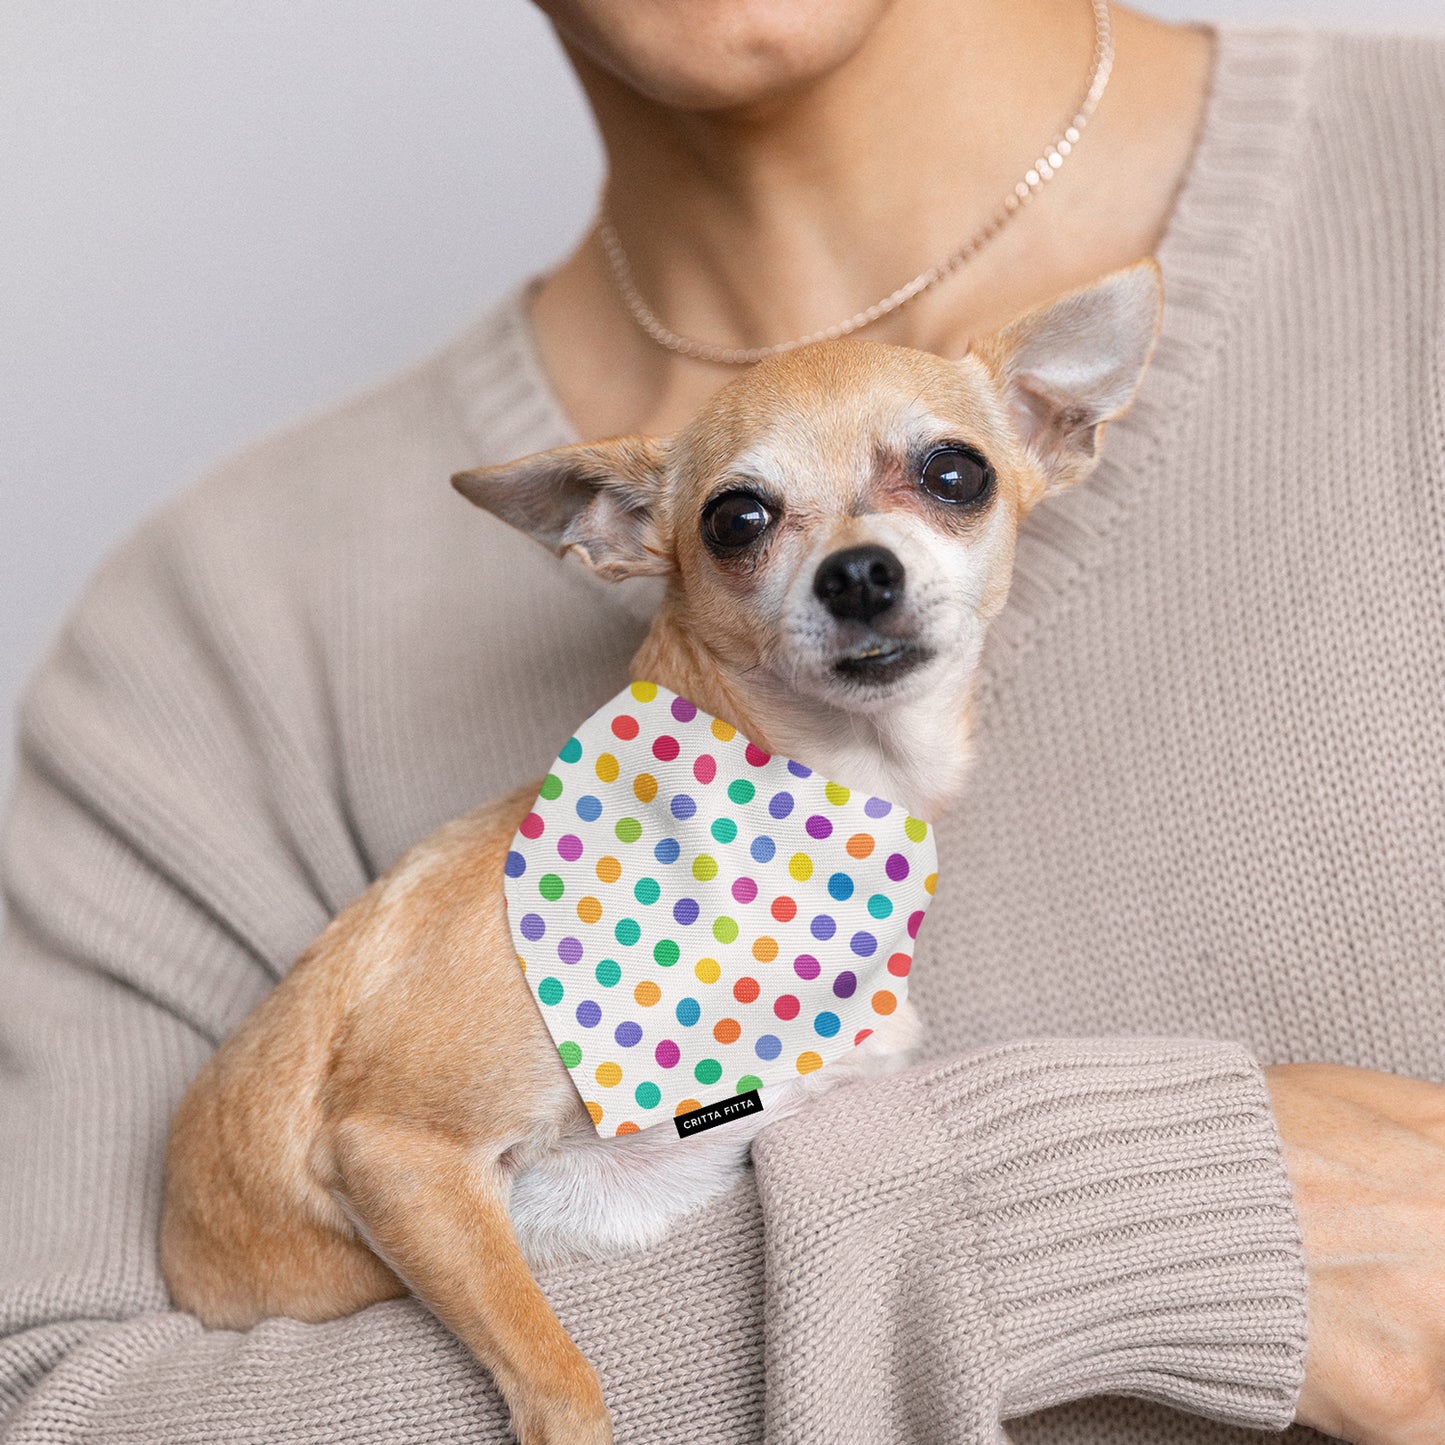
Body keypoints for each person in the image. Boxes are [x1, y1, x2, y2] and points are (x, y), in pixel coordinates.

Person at [2, 0, 1443, 1440]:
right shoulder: (202, 637)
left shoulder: (1407, 194)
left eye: (939, 479)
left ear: (1052, 426)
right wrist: (1054, 1227)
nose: (857, 558)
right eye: (749, 519)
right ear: (635, 536)